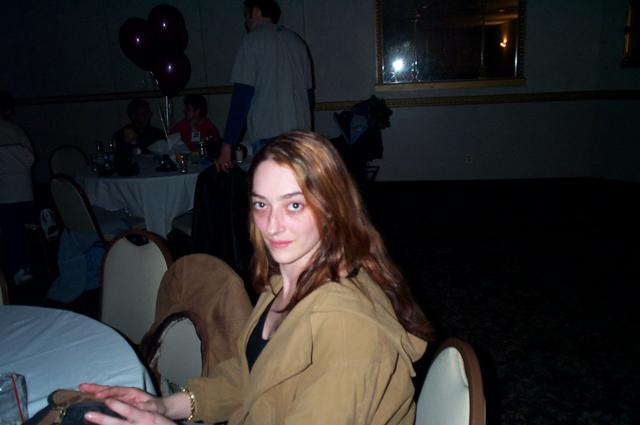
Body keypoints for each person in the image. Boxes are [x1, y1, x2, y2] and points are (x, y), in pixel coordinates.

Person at [80, 131, 434, 425]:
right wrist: (164, 406)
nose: (272, 226)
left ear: (332, 209)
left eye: (294, 205)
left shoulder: (349, 327)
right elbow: (252, 375)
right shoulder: (285, 280)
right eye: (261, 204)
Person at [215, 0, 314, 172]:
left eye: (246, 15)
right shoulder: (297, 42)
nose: (245, 21)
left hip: (270, 138)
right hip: (301, 138)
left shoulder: (252, 41)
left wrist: (227, 144)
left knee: (272, 187)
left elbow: (242, 97)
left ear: (256, 12)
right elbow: (309, 96)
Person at [0, 90, 35, 286]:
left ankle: (18, 268)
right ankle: (24, 266)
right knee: (18, 230)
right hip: (25, 191)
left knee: (12, 231)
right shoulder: (17, 130)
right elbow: (31, 159)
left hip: (5, 195)